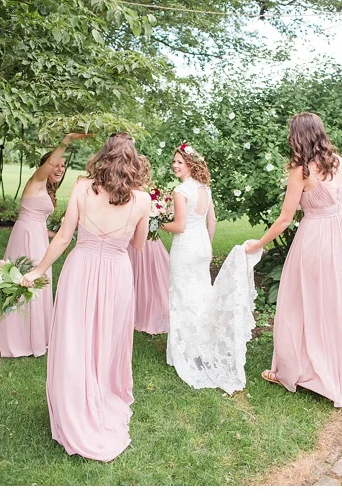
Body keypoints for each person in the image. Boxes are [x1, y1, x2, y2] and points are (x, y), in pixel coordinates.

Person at [22, 133, 150, 461]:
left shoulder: (81, 188)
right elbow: (138, 245)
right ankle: (99, 396)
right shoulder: (142, 199)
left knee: (74, 338)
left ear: (103, 156)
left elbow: (64, 237)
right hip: (117, 273)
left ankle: (74, 405)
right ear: (133, 161)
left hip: (80, 269)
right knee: (105, 340)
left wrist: (38, 270)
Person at [246, 112, 342, 407]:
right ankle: (334, 370)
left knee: (301, 303)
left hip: (313, 241)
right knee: (333, 304)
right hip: (339, 242)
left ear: (298, 137)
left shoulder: (301, 171)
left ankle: (299, 369)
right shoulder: (339, 163)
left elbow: (285, 218)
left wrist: (258, 244)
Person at [161, 143, 260, 395]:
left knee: (183, 296)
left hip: (185, 248)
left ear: (190, 164)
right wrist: (208, 244)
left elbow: (179, 226)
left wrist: (157, 222)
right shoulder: (205, 188)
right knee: (201, 294)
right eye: (174, 161)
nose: (175, 165)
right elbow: (212, 220)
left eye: (179, 162)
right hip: (203, 247)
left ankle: (186, 351)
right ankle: (202, 344)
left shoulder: (181, 190)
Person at [0, 133, 91, 357]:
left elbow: (39, 222)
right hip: (26, 237)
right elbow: (50, 163)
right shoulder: (36, 182)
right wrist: (67, 140)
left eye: (63, 166)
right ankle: (19, 338)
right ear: (45, 167)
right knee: (25, 280)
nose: (59, 169)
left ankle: (36, 335)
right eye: (56, 165)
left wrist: (60, 235)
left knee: (39, 280)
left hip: (36, 235)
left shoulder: (46, 189)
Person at [128, 155, 170, 335]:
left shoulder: (135, 193)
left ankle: (141, 312)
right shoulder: (145, 194)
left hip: (142, 239)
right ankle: (140, 311)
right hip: (141, 239)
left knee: (145, 275)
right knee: (147, 277)